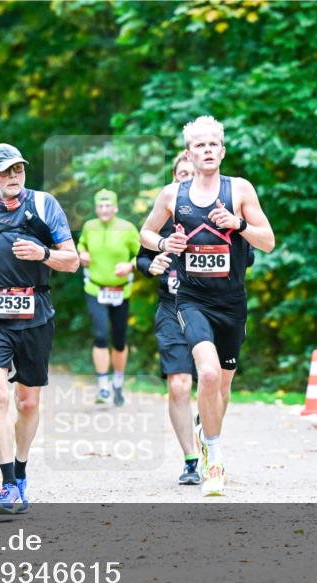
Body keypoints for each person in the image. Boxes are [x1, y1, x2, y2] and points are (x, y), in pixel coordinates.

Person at [139, 116, 275, 496]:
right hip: (191, 299)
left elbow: (268, 241)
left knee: (223, 383)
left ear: (223, 150)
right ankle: (213, 459)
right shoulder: (172, 195)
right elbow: (146, 232)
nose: (207, 150)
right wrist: (164, 244)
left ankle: (208, 431)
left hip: (231, 303)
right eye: (200, 145)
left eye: (213, 144)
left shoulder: (240, 190)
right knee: (209, 374)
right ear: (189, 154)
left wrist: (237, 224)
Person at [0, 143, 79, 514]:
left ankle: (20, 472)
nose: (13, 176)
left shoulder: (43, 205)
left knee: (27, 402)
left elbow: (72, 261)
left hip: (36, 314)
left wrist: (44, 254)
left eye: (18, 169)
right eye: (5, 171)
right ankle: (7, 485)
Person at [135, 152, 200, 484]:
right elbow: (142, 259)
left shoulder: (220, 211)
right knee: (179, 385)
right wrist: (153, 265)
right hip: (172, 310)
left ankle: (208, 430)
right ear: (174, 178)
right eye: (181, 174)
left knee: (214, 384)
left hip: (212, 309)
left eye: (193, 173)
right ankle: (191, 460)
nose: (187, 179)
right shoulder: (163, 216)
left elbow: (246, 259)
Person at [77, 189, 140, 407]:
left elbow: (142, 254)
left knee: (119, 339)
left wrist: (129, 266)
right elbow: (81, 244)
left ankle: (118, 382)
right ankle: (103, 385)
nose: (104, 209)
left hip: (121, 291)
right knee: (101, 334)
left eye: (108, 206)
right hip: (95, 289)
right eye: (100, 206)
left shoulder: (127, 228)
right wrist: (82, 253)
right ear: (96, 208)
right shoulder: (89, 227)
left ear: (115, 208)